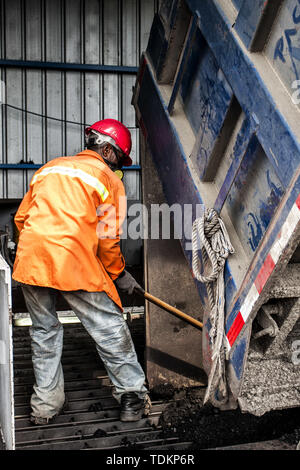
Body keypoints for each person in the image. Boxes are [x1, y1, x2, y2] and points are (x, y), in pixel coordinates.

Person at [12, 119, 150, 425]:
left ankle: (45, 406)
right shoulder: (109, 180)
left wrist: (40, 250)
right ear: (105, 149)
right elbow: (108, 239)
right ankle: (131, 395)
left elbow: (21, 219)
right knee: (109, 327)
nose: (119, 166)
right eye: (118, 157)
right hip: (72, 262)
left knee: (44, 333)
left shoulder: (50, 168)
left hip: (31, 261)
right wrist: (119, 274)